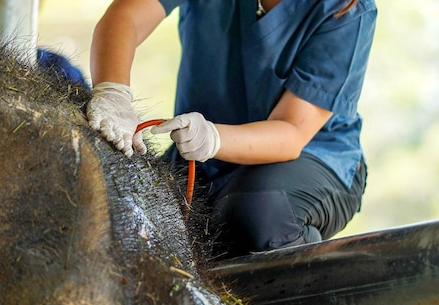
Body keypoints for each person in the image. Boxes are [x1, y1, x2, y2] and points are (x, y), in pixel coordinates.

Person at [87, 0, 377, 258]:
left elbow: (291, 132)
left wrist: (212, 138)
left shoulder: (347, 11)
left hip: (314, 157)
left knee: (257, 219)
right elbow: (126, 16)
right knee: (127, 215)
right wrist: (112, 92)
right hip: (200, 156)